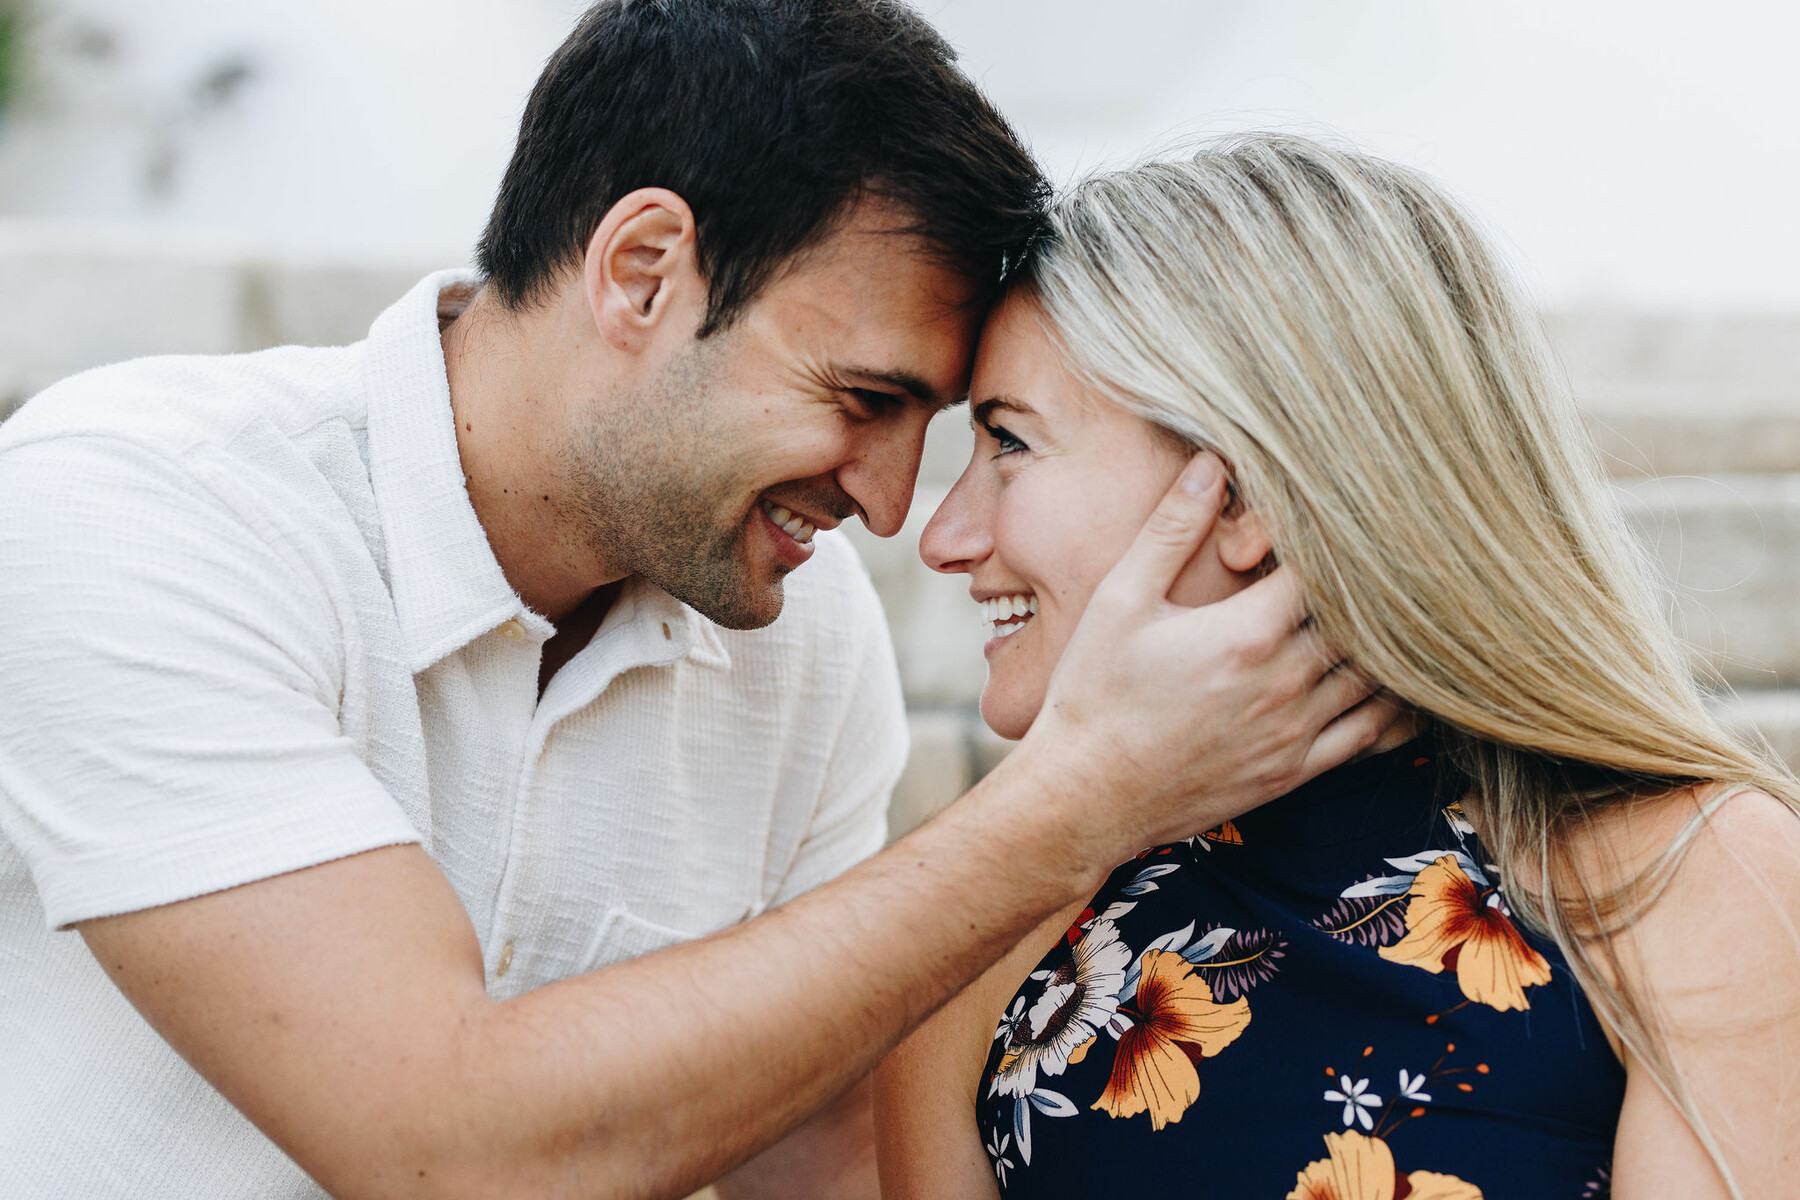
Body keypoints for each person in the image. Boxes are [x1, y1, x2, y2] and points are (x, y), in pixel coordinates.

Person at [0, 7, 1398, 1199]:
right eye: (864, 401)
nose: (896, 504)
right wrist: (1078, 803)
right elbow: (445, 1147)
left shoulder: (801, 631)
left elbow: (822, 1159)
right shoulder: (136, 505)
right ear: (642, 272)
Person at [875, 136, 1800, 1200]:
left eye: (1011, 443)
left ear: (1246, 498)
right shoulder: (982, 927)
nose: (943, 535)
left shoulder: (1691, 885)